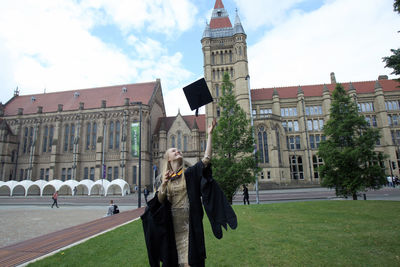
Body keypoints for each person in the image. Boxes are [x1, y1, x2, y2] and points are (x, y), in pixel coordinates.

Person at [141, 119, 237, 267]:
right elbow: (159, 201)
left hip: (190, 227)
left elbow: (206, 159)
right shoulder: (163, 178)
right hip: (172, 229)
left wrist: (210, 134)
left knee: (191, 262)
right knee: (174, 262)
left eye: (178, 150)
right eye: (173, 151)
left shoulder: (190, 173)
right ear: (168, 158)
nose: (177, 151)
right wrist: (164, 184)